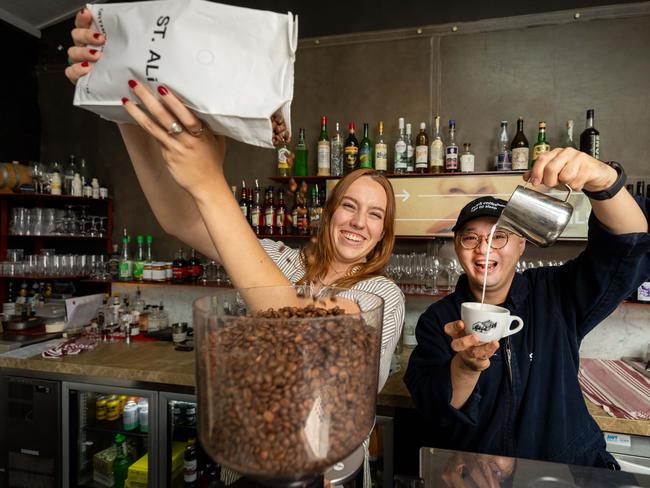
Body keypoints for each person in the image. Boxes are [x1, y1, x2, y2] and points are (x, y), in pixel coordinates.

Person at [65, 9, 404, 390]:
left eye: (375, 215)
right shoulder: (279, 260)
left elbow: (300, 330)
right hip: (243, 441)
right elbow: (183, 220)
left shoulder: (381, 294)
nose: (359, 221)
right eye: (349, 205)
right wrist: (120, 98)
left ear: (382, 234)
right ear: (329, 213)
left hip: (329, 451)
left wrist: (209, 181)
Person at [404, 149, 650, 468]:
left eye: (499, 237)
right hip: (478, 473)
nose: (484, 248)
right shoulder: (439, 319)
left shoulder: (555, 293)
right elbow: (435, 408)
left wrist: (605, 181)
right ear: (457, 248)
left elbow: (627, 246)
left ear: (522, 245)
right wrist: (465, 367)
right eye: (470, 239)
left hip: (564, 471)